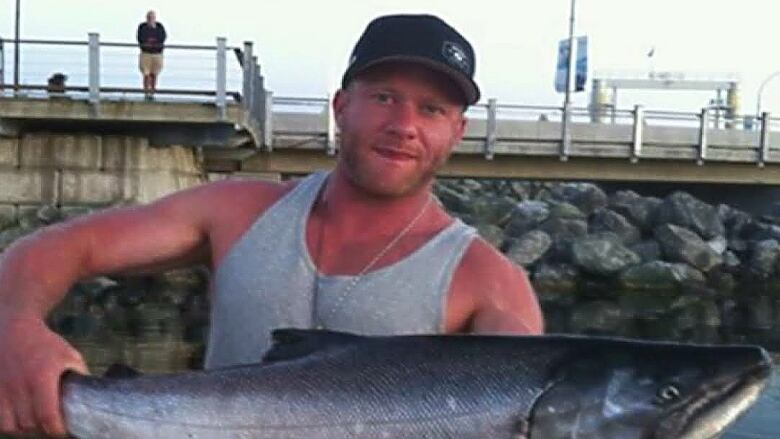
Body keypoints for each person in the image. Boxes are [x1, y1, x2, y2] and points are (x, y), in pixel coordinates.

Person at [0, 13, 543, 437]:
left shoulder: (490, 284)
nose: (403, 125)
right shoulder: (236, 210)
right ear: (340, 106)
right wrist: (16, 328)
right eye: (383, 97)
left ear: (458, 131)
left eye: (431, 109)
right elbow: (59, 247)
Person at [136, 10, 166, 99]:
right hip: (146, 53)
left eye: (152, 17)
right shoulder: (142, 27)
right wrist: (149, 42)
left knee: (154, 74)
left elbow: (162, 37)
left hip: (157, 54)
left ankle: (152, 92)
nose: (150, 19)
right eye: (149, 17)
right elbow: (140, 38)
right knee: (146, 74)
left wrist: (153, 42)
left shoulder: (159, 27)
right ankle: (146, 93)